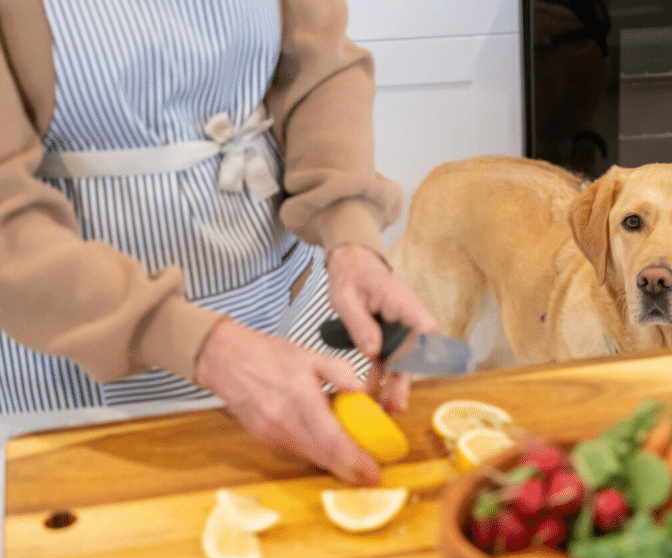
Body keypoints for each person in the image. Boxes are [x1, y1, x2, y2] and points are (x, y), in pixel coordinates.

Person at [0, 0, 436, 484]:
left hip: (292, 302)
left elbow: (320, 66)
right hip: (93, 342)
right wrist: (208, 350)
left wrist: (350, 238)